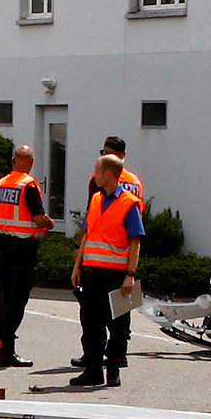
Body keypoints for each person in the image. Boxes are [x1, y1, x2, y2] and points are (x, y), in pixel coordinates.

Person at [69, 154, 145, 388]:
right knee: (90, 323)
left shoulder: (129, 203)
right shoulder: (95, 200)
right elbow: (87, 235)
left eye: (98, 171)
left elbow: (135, 242)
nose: (94, 175)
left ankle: (113, 368)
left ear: (109, 174)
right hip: (92, 272)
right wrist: (77, 266)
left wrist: (130, 275)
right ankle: (93, 370)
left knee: (118, 325)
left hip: (116, 275)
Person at [0, 144, 46, 369]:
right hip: (23, 248)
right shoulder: (28, 184)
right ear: (30, 162)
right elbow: (39, 218)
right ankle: (7, 351)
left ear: (13, 160)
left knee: (5, 297)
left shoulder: (1, 183)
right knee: (17, 300)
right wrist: (49, 223)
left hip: (3, 244)